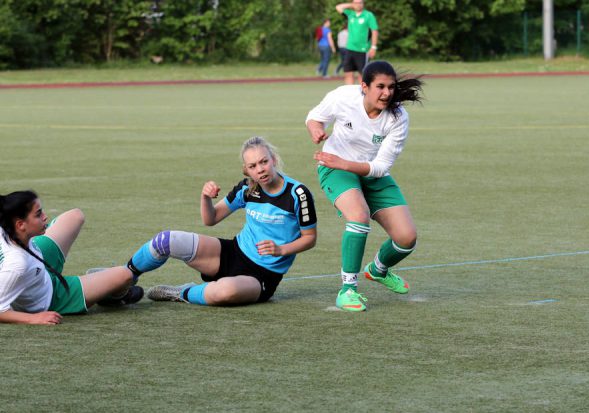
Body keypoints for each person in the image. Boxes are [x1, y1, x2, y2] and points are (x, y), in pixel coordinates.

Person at [126, 137, 317, 306]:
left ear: (273, 160)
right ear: (247, 170)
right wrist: (205, 197)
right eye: (252, 166)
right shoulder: (247, 189)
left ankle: (181, 293)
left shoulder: (298, 194)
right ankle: (124, 279)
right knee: (166, 240)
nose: (260, 170)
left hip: (263, 275)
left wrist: (281, 250)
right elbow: (211, 219)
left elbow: (310, 238)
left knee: (225, 291)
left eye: (264, 162)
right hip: (233, 253)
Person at [305, 61, 424, 312]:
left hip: (368, 172)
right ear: (364, 86)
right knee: (358, 216)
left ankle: (378, 270)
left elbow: (380, 167)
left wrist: (345, 163)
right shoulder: (343, 97)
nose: (387, 93)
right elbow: (314, 117)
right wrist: (316, 130)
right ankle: (347, 289)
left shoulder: (398, 117)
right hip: (335, 169)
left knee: (407, 238)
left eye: (391, 87)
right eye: (380, 87)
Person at [0, 191, 142, 325]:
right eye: (38, 215)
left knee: (75, 216)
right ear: (20, 224)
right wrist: (34, 318)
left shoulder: (7, 226)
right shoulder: (17, 264)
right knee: (125, 275)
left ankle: (101, 282)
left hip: (37, 256)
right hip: (52, 296)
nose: (45, 217)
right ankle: (111, 296)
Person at [335, 1, 379, 85]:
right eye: (356, 2)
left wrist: (373, 47)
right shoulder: (350, 14)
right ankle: (350, 95)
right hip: (350, 48)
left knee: (362, 75)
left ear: (363, 3)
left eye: (360, 2)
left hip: (362, 50)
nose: (358, 4)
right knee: (348, 73)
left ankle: (361, 95)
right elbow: (338, 7)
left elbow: (374, 31)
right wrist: (352, 5)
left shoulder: (368, 15)